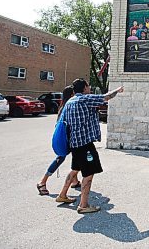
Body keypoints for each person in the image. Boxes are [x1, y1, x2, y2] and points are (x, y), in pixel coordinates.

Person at [56, 79, 124, 213]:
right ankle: (83, 205)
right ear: (85, 88)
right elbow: (106, 97)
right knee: (88, 173)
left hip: (74, 144)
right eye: (88, 86)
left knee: (75, 169)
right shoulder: (85, 99)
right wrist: (118, 90)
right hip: (85, 145)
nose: (90, 87)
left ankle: (62, 195)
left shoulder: (70, 101)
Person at [36, 86, 80, 195]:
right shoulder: (68, 106)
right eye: (75, 94)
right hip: (65, 138)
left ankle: (74, 180)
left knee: (75, 158)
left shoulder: (64, 106)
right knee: (61, 158)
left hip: (66, 137)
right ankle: (42, 182)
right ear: (71, 95)